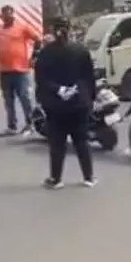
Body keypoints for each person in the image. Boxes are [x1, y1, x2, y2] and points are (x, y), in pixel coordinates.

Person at [34, 16, 97, 189]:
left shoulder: (46, 53)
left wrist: (59, 90)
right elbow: (89, 77)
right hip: (79, 103)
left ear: (53, 30)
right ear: (69, 29)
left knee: (57, 143)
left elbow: (41, 79)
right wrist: (86, 96)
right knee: (81, 141)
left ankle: (56, 179)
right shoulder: (81, 51)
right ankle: (89, 177)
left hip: (56, 105)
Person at [0, 4, 40, 137]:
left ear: (13, 15)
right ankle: (12, 126)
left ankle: (31, 123)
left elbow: (37, 40)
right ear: (2, 17)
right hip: (4, 71)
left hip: (20, 70)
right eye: (5, 15)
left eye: (10, 14)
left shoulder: (22, 28)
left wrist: (34, 56)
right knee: (8, 100)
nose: (8, 17)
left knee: (24, 98)